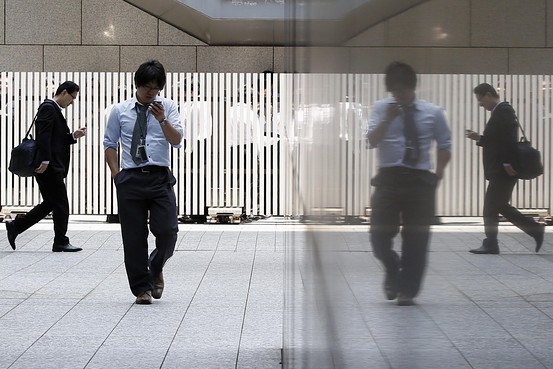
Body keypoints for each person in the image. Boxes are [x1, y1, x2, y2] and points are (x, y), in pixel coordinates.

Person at [366, 61, 451, 306]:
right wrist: (387, 120)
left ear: (412, 88)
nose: (398, 96)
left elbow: (444, 145)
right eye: (394, 92)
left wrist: (439, 174)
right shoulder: (382, 108)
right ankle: (393, 269)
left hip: (420, 180)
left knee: (417, 239)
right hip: (389, 179)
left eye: (402, 91)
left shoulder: (433, 112)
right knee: (379, 236)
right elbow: (371, 141)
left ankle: (407, 290)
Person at [103, 60, 183, 305]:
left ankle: (156, 266)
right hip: (131, 179)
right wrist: (118, 176)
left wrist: (161, 120)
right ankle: (142, 288)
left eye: (156, 87)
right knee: (134, 236)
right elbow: (109, 144)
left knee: (168, 231)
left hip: (159, 177)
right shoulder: (120, 110)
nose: (151, 92)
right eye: (147, 86)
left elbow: (177, 140)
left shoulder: (167, 107)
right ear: (136, 84)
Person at [5, 81, 86, 252]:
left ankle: (17, 226)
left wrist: (73, 136)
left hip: (49, 165)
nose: (72, 102)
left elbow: (56, 139)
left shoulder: (53, 109)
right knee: (61, 204)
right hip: (48, 167)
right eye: (72, 98)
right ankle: (60, 241)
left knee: (51, 203)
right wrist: (45, 160)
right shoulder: (49, 108)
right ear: (64, 93)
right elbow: (44, 135)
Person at [466, 83, 545, 254]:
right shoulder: (499, 112)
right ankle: (494, 241)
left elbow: (509, 140)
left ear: (488, 95)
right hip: (501, 169)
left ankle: (495, 241)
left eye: (480, 100)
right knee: (497, 205)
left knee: (492, 206)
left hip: (504, 170)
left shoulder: (504, 111)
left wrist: (507, 163)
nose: (480, 104)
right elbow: (497, 141)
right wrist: (478, 137)